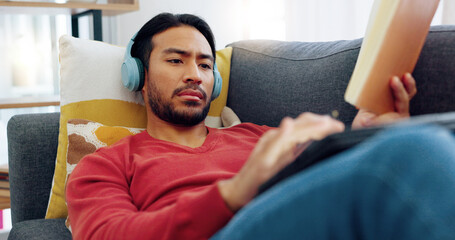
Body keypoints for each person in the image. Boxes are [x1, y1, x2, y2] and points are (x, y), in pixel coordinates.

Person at [66, 13, 455, 240]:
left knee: (421, 141)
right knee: (416, 150)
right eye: (175, 61)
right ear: (140, 77)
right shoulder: (105, 164)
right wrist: (233, 192)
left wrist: (368, 134)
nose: (195, 75)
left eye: (205, 64)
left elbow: (328, 185)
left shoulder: (257, 136)